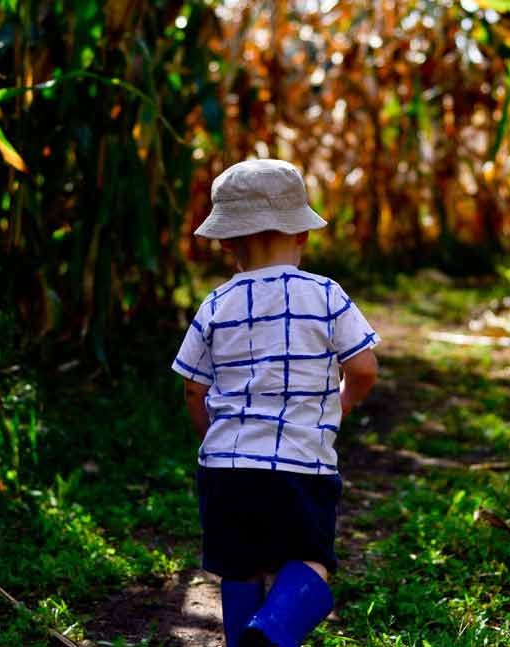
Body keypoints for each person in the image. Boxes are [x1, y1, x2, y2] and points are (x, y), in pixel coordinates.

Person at [172, 159, 380, 647]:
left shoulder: (215, 304)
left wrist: (219, 438)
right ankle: (271, 631)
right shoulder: (327, 295)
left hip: (225, 469)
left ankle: (243, 637)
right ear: (303, 235)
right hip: (301, 465)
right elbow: (365, 368)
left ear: (226, 243)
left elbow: (192, 389)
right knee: (311, 561)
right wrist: (343, 403)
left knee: (239, 568)